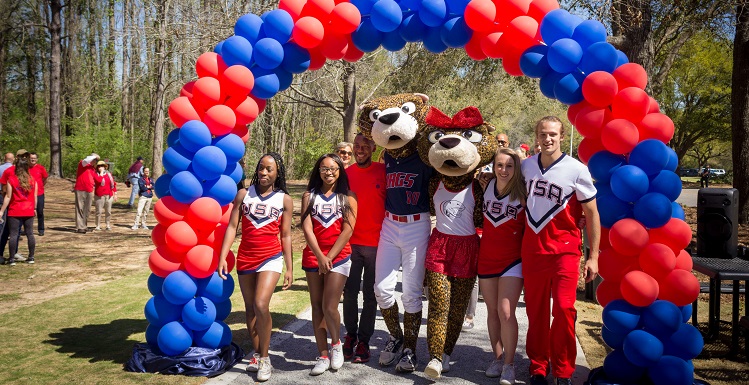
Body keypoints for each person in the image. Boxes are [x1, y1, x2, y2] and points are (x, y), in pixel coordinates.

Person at [522, 116, 600, 385]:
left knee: (565, 310)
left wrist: (593, 256)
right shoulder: (525, 167)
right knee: (536, 313)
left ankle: (564, 370)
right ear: (537, 136)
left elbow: (592, 214)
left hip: (565, 252)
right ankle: (538, 366)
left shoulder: (577, 169)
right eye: (543, 134)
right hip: (532, 252)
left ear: (562, 136)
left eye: (553, 134)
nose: (548, 139)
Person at [217, 152, 293, 382]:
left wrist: (289, 268)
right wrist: (223, 256)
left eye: (269, 169)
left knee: (261, 304)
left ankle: (266, 359)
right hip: (246, 257)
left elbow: (286, 235)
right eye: (261, 168)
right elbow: (232, 227)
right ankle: (257, 354)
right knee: (250, 309)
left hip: (270, 257)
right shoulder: (243, 194)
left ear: (277, 173)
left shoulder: (284, 200)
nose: (263, 172)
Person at [301, 154, 357, 376]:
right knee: (316, 306)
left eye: (333, 168)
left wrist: (329, 257)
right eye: (324, 168)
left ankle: (336, 344)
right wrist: (319, 256)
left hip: (339, 256)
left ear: (340, 170)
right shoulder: (309, 196)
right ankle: (322, 355)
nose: (329, 172)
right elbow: (306, 228)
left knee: (329, 305)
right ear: (318, 171)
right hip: (313, 256)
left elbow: (348, 229)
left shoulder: (348, 197)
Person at [478, 147, 527, 383]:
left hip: (513, 260)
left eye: (509, 165)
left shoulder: (524, 192)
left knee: (506, 311)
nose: (504, 170)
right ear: (493, 166)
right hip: (486, 257)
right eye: (499, 165)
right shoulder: (486, 185)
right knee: (492, 312)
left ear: (516, 167)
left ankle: (509, 364)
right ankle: (497, 358)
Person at [342, 133, 386, 364]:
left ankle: (364, 341)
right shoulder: (346, 175)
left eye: (364, 146)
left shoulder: (383, 171)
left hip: (377, 245)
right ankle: (350, 335)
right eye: (356, 146)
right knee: (349, 293)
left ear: (373, 147)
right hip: (350, 243)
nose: (360, 150)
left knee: (370, 295)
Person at [0, 156, 37, 266]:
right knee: (30, 234)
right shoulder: (33, 180)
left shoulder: (11, 180)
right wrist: (34, 208)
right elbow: (35, 196)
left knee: (14, 234)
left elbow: (8, 196)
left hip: (15, 210)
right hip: (29, 209)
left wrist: (2, 211)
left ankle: (11, 259)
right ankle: (31, 257)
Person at [75, 153, 99, 233]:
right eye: (95, 159)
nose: (95, 161)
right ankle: (80, 227)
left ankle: (84, 225)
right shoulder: (82, 163)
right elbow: (86, 160)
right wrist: (94, 156)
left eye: (96, 160)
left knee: (87, 209)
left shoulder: (92, 168)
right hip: (80, 189)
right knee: (80, 208)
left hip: (89, 190)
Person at [0, 152, 16, 263]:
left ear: (4, 159)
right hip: (6, 197)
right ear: (13, 159)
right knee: (4, 225)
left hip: (2, 195)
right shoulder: (14, 170)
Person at [93, 161, 117, 231]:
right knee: (99, 211)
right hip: (99, 196)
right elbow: (98, 181)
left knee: (108, 211)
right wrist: (101, 173)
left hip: (108, 195)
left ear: (105, 167)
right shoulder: (96, 174)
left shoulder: (109, 174)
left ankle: (108, 224)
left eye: (102, 166)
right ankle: (97, 225)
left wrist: (115, 193)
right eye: (99, 166)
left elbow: (113, 184)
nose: (101, 168)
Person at [29, 152, 49, 235]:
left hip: (39, 193)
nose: (32, 159)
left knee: (40, 211)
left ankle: (41, 229)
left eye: (34, 158)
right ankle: (28, 229)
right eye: (31, 158)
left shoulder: (41, 168)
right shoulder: (25, 168)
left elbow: (45, 178)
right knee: (28, 212)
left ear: (37, 159)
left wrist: (40, 186)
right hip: (28, 194)